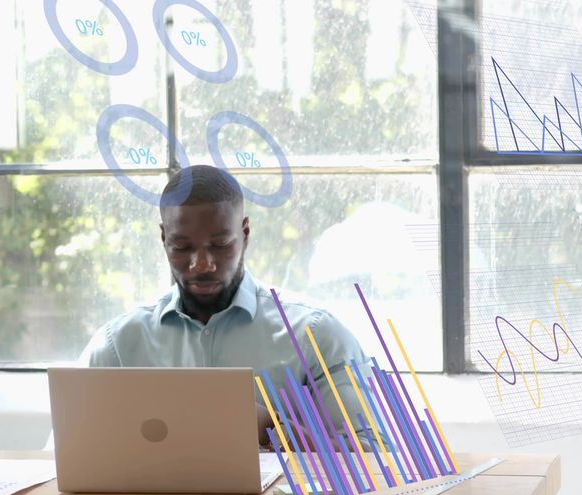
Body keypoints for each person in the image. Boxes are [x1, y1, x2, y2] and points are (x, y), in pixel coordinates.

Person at [81, 165, 377, 449]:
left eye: (220, 245)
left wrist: (269, 429)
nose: (201, 264)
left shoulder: (315, 334)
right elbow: (70, 452)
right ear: (163, 239)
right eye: (182, 248)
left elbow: (375, 455)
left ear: (245, 234)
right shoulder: (116, 345)